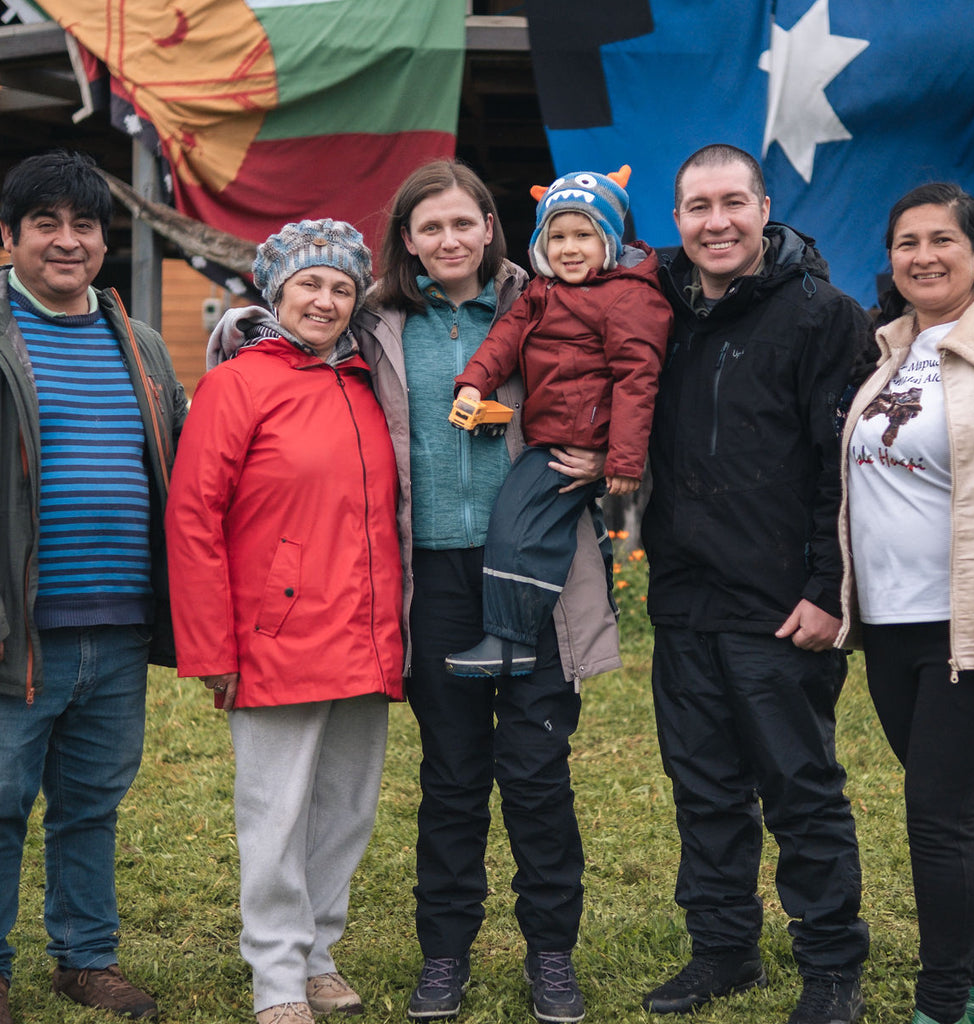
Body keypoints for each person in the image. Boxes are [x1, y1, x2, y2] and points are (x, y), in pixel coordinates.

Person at [358, 158, 620, 1024]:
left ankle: (551, 952)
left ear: (489, 228)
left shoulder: (548, 297)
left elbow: (628, 369)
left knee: (538, 770)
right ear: (407, 240)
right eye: (429, 227)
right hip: (434, 576)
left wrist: (613, 450)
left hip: (535, 569)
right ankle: (444, 955)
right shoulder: (377, 322)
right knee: (455, 771)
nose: (448, 240)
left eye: (462, 223)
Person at [640, 143, 872, 1024]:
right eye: (698, 207)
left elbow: (838, 471)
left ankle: (831, 961)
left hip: (783, 605)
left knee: (799, 787)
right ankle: (724, 951)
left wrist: (828, 589)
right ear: (677, 220)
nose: (717, 222)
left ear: (764, 207)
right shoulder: (658, 308)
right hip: (686, 598)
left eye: (733, 203)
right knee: (703, 788)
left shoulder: (821, 316)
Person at [165, 220, 404, 1024]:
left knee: (346, 807)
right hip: (276, 635)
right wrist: (212, 647)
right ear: (277, 293)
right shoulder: (240, 384)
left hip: (364, 634)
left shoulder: (372, 381)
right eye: (310, 284)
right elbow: (193, 517)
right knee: (276, 810)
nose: (326, 300)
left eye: (341, 287)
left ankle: (318, 952)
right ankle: (275, 974)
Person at [0, 149, 187, 1023]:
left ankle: (85, 958)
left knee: (91, 803)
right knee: (0, 803)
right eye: (46, 224)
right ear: (9, 238)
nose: (67, 241)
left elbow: (181, 472)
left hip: (116, 626)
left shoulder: (141, 343)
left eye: (83, 225)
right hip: (17, 627)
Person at [838, 183, 974, 1024]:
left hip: (973, 619)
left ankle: (942, 1003)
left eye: (942, 240)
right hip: (890, 621)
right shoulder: (889, 355)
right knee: (959, 801)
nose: (923, 255)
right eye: (906, 242)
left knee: (937, 814)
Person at [444, 166, 671, 678]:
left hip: (577, 440)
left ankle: (510, 640)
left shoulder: (629, 297)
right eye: (558, 236)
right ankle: (513, 639)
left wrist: (623, 459)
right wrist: (473, 384)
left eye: (584, 235)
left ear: (609, 240)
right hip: (548, 437)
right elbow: (502, 342)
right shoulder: (541, 292)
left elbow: (638, 379)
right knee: (529, 528)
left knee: (516, 525)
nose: (570, 248)